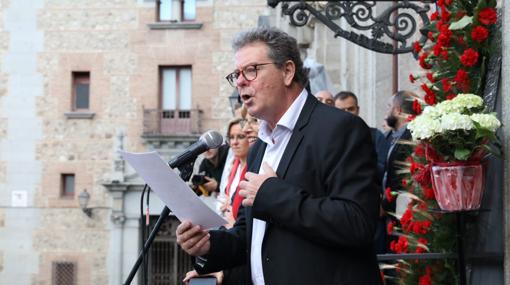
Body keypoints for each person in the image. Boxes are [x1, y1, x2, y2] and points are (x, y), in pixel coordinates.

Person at [176, 27, 381, 285]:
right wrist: (208, 244)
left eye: (251, 70)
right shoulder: (261, 144)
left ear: (287, 71)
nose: (240, 81)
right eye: (236, 74)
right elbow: (249, 234)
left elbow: (357, 223)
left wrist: (272, 194)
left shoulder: (339, 128)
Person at [334, 91, 390, 255]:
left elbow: (385, 170)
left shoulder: (374, 136)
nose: (346, 114)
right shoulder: (326, 140)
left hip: (371, 210)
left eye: (350, 109)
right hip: (338, 213)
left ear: (357, 109)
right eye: (340, 110)